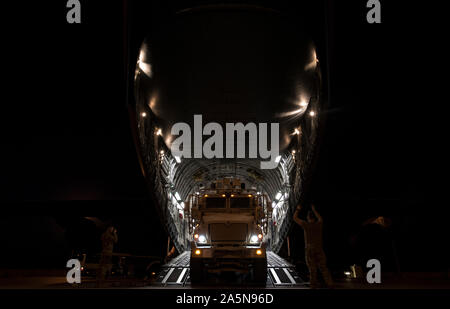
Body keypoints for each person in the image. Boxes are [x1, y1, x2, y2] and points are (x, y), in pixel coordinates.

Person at [293, 204, 333, 288]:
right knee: (323, 267)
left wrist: (298, 209)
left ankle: (313, 283)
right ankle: (329, 283)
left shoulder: (306, 225)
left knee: (312, 268)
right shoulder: (319, 224)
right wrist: (314, 210)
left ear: (308, 218)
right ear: (314, 218)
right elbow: (320, 219)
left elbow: (295, 218)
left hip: (310, 248)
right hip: (319, 248)